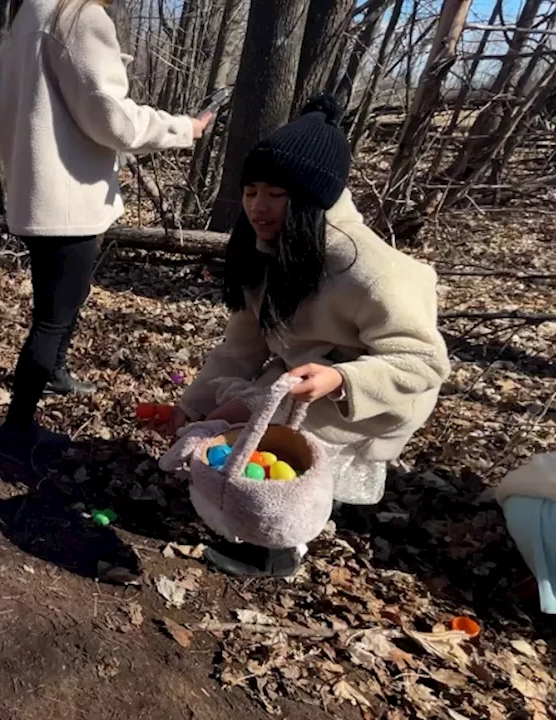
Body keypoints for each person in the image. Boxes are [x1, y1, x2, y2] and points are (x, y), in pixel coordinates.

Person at [163, 95, 451, 577]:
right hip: (300, 376)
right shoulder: (267, 253)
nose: (258, 207)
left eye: (276, 194)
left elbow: (424, 362)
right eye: (251, 191)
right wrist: (193, 404)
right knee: (231, 418)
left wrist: (340, 380)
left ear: (313, 198)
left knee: (274, 440)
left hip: (368, 393)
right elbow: (241, 347)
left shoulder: (376, 273)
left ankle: (276, 550)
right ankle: (249, 511)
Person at [0, 0, 213, 454]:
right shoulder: (76, 17)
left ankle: (53, 375)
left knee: (66, 299)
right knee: (52, 319)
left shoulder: (27, 18)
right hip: (67, 200)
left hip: (38, 195)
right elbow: (114, 120)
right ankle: (16, 428)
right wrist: (184, 128)